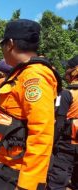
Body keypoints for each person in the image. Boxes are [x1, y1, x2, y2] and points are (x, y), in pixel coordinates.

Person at [0, 19, 61, 190]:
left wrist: (27, 185)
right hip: (3, 165)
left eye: (3, 45)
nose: (2, 50)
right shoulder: (21, 74)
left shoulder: (34, 78)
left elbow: (41, 134)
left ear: (11, 44)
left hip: (15, 172)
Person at [47, 55, 78, 190]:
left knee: (57, 181)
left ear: (75, 70)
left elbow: (59, 124)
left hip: (67, 145)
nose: (66, 71)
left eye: (68, 67)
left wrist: (51, 144)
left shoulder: (67, 94)